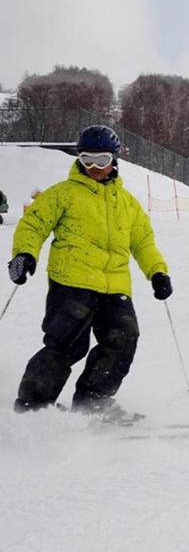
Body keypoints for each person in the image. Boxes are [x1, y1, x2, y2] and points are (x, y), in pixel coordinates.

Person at [8, 124, 172, 415]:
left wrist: (157, 272)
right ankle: (32, 405)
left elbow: (144, 243)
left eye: (102, 160)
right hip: (72, 281)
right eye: (87, 160)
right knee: (66, 345)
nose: (95, 167)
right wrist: (24, 255)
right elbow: (33, 225)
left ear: (115, 160)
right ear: (78, 159)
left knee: (123, 339)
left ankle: (93, 401)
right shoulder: (63, 194)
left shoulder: (128, 203)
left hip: (115, 286)